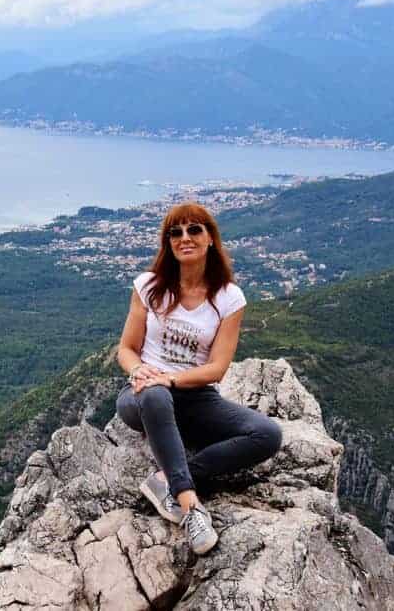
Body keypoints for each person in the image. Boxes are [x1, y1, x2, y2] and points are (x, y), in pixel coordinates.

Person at [116, 202, 282, 555]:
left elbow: (217, 368)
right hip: (143, 397)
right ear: (167, 243)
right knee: (156, 396)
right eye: (175, 232)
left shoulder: (228, 298)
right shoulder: (148, 286)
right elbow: (126, 349)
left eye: (194, 230)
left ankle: (167, 479)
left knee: (267, 434)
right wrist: (138, 371)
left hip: (195, 396)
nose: (185, 238)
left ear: (210, 239)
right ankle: (189, 504)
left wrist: (171, 379)